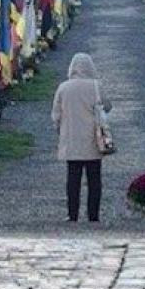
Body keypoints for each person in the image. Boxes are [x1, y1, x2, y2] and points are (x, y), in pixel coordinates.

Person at [52, 53, 105, 222]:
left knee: (73, 179)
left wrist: (60, 129)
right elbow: (107, 106)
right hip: (93, 139)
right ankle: (93, 214)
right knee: (94, 180)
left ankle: (72, 213)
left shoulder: (63, 88)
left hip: (71, 139)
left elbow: (56, 115)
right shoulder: (96, 86)